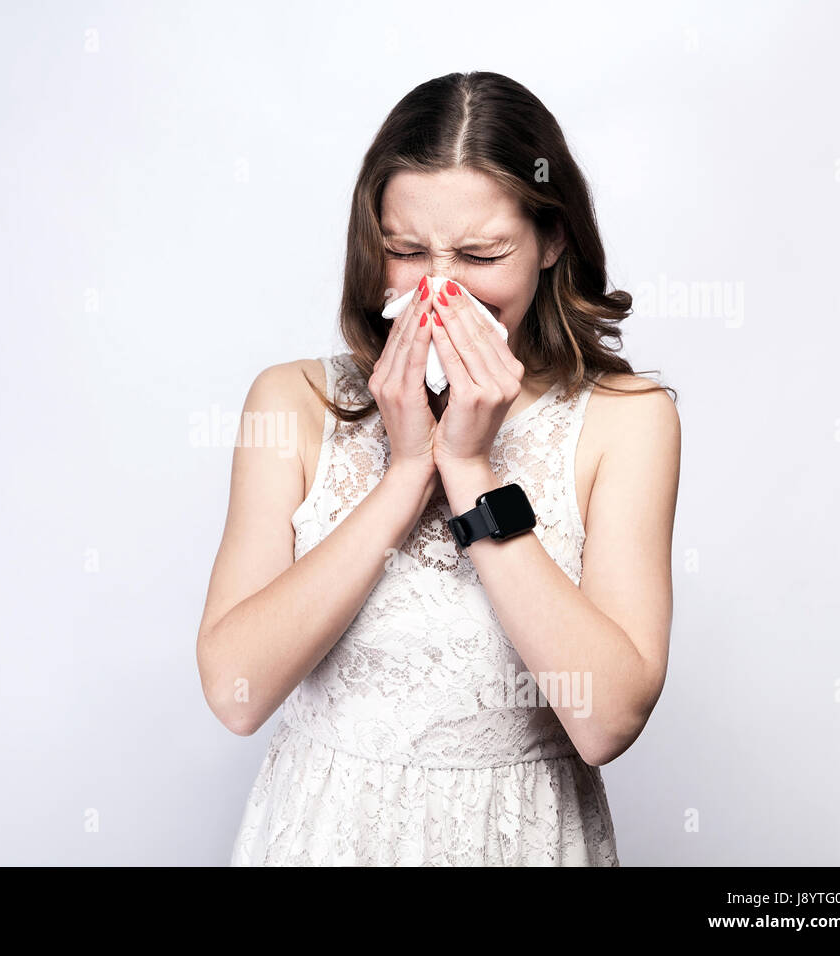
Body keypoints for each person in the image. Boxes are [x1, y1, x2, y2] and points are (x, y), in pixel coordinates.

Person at [195, 71, 680, 866]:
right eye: (406, 252)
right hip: (324, 834)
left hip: (520, 838)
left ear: (552, 241)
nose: (440, 289)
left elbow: (606, 721)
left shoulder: (628, 419)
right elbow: (235, 693)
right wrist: (407, 469)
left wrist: (469, 468)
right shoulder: (291, 400)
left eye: (482, 254)